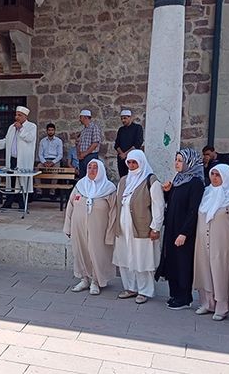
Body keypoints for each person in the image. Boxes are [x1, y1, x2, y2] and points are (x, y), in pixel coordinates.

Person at [112, 150, 165, 304]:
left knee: (142, 259)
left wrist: (156, 227)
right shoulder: (124, 181)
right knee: (126, 258)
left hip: (142, 228)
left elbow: (158, 206)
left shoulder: (151, 181)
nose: (132, 165)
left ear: (141, 162)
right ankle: (130, 287)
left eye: (134, 162)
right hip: (123, 227)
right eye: (129, 162)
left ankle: (145, 290)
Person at [157, 148, 205, 310]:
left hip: (184, 230)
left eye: (180, 160)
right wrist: (167, 192)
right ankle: (175, 294)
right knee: (171, 260)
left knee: (183, 262)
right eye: (176, 160)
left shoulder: (196, 183)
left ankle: (184, 297)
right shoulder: (179, 179)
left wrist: (184, 233)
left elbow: (193, 210)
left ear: (189, 162)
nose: (176, 163)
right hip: (172, 226)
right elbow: (172, 203)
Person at [192, 164, 229, 321]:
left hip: (224, 243)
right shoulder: (206, 193)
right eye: (212, 174)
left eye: (218, 175)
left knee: (221, 273)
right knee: (205, 270)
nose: (214, 177)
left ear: (226, 176)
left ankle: (222, 307)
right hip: (203, 240)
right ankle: (207, 303)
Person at [63, 159, 117, 295]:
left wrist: (111, 232)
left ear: (101, 171)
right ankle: (84, 278)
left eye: (95, 168)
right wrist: (67, 226)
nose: (92, 170)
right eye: (89, 167)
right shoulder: (80, 185)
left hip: (99, 229)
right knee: (81, 251)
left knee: (97, 253)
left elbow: (114, 213)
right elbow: (70, 205)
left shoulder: (109, 189)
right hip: (79, 227)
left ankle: (96, 281)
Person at [0, 106, 37, 209]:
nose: (17, 117)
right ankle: (9, 202)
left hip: (23, 159)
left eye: (19, 115)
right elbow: (7, 141)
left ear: (25, 116)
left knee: (21, 181)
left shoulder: (31, 126)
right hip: (12, 159)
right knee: (12, 180)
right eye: (16, 114)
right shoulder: (12, 127)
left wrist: (21, 129)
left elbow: (29, 138)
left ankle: (22, 203)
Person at [36, 123, 63, 200]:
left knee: (56, 170)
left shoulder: (58, 141)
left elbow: (60, 155)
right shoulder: (42, 141)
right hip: (44, 160)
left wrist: (52, 162)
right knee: (37, 169)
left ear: (54, 131)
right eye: (49, 130)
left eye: (52, 130)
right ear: (47, 131)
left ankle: (52, 192)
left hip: (55, 160)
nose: (50, 132)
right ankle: (39, 191)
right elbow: (40, 154)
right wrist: (44, 162)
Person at [114, 109, 144, 178]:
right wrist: (122, 154)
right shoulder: (121, 130)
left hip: (133, 159)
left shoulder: (137, 128)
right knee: (123, 178)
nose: (123, 120)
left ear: (130, 118)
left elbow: (138, 143)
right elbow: (116, 144)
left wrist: (126, 154)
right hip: (122, 159)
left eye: (125, 118)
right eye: (122, 118)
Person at [76, 109, 102, 179]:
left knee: (91, 176)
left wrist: (85, 153)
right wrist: (79, 154)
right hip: (83, 157)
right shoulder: (83, 130)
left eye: (81, 117)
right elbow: (79, 144)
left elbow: (95, 143)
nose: (80, 119)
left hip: (91, 156)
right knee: (83, 177)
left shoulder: (94, 127)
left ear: (85, 117)